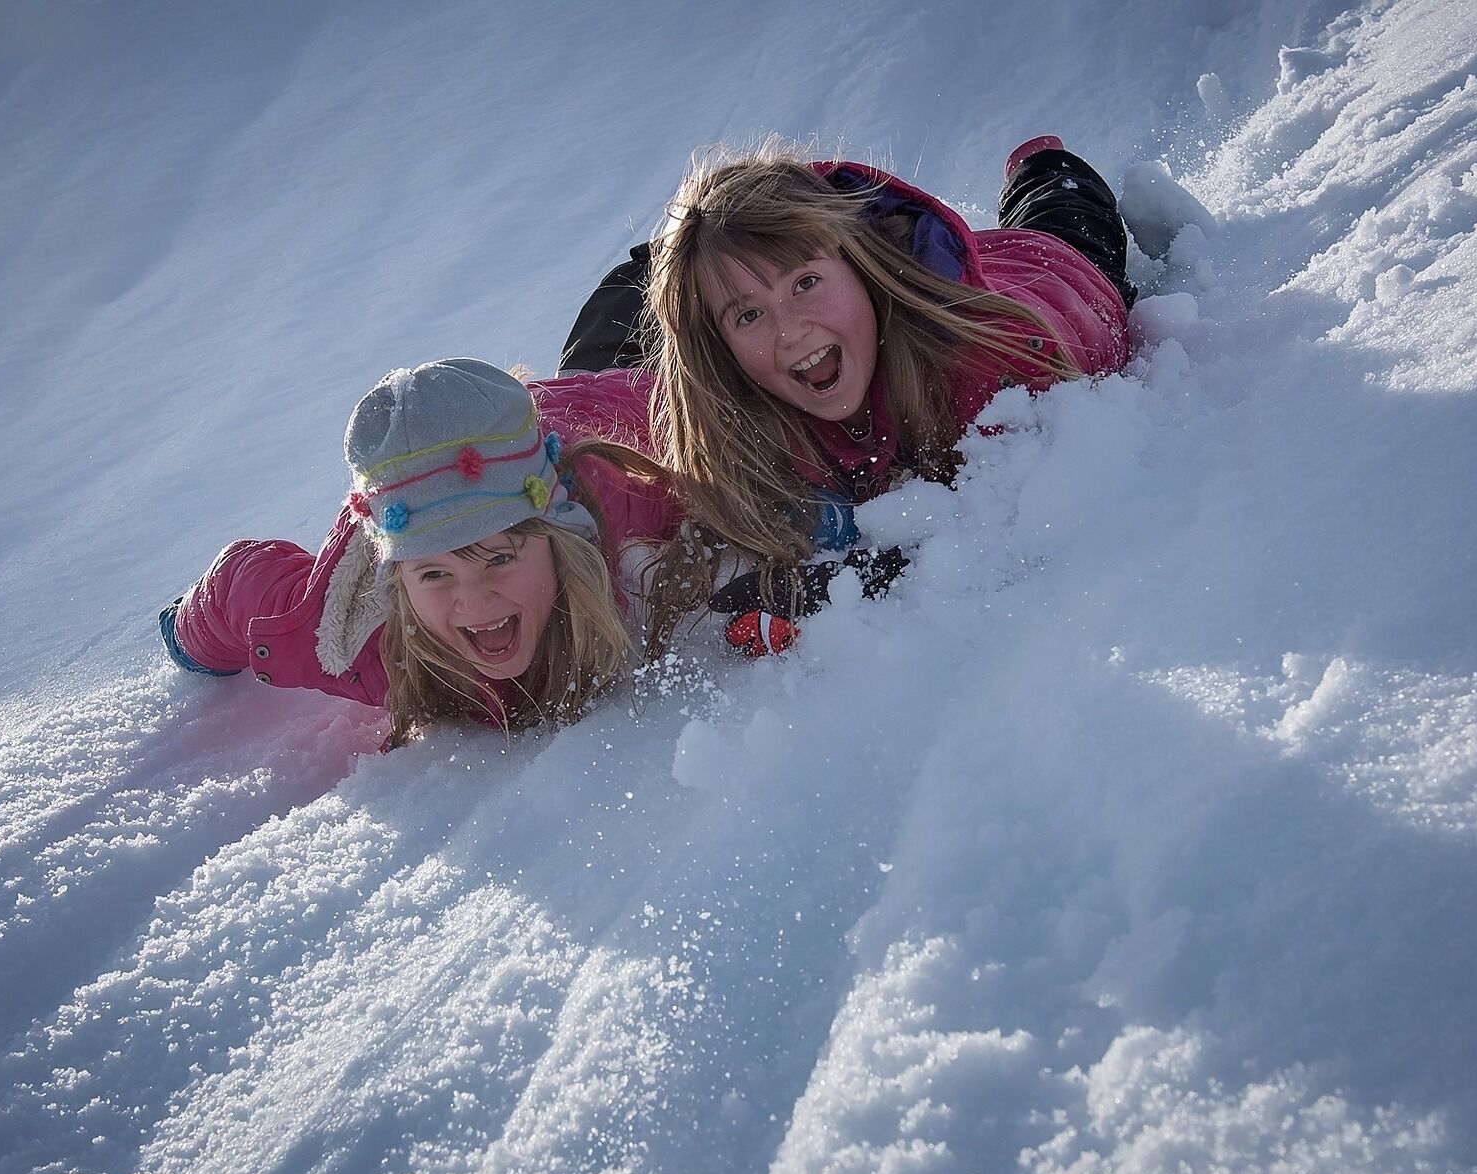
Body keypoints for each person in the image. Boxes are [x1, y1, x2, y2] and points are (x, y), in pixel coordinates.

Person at [564, 136, 1134, 653]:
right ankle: (678, 267)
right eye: (749, 315)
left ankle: (1039, 163)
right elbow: (598, 416)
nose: (791, 330)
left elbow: (1000, 533)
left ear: (861, 267)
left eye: (806, 283)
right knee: (621, 329)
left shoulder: (986, 365)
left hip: (1051, 270)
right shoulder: (732, 399)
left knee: (1062, 212)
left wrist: (855, 578)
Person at [160, 359, 680, 746]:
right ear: (397, 580)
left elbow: (696, 414)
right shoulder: (359, 640)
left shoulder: (625, 501)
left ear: (557, 538)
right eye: (434, 573)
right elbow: (239, 585)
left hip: (598, 405)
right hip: (435, 483)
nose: (474, 603)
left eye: (499, 557)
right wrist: (187, 640)